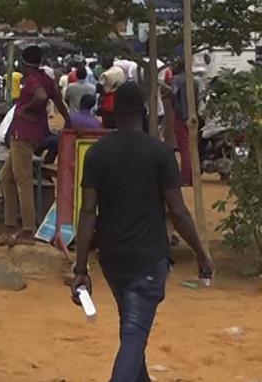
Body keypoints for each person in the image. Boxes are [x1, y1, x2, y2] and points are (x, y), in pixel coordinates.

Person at [71, 82, 213, 382]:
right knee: (134, 336)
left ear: (113, 112)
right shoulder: (159, 154)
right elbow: (178, 212)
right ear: (145, 112)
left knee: (131, 328)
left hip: (112, 259)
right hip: (148, 260)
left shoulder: (97, 154)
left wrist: (81, 267)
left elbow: (87, 212)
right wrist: (202, 253)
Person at [1, 45, 68, 246]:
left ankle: (28, 230)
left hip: (22, 134)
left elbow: (40, 97)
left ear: (22, 62)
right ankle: (10, 226)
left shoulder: (31, 80)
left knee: (23, 182)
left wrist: (25, 109)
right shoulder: (47, 78)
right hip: (35, 133)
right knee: (6, 176)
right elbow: (58, 100)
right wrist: (69, 123)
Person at [169, 59, 196, 187]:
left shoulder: (177, 81)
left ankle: (185, 178)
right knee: (192, 148)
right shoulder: (194, 80)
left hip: (181, 117)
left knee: (184, 149)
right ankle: (192, 177)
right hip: (193, 117)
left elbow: (172, 94)